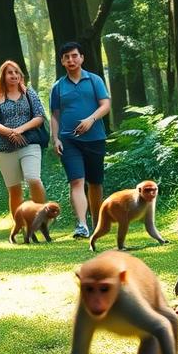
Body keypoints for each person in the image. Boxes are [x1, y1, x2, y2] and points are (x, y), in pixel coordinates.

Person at [49, 41, 111, 239]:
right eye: (66, 57)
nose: (71, 60)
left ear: (82, 58)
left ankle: (96, 222)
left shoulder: (94, 80)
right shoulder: (58, 87)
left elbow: (105, 105)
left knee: (95, 183)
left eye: (74, 56)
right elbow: (55, 115)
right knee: (76, 180)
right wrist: (55, 139)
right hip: (69, 140)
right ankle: (82, 225)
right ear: (62, 61)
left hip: (95, 138)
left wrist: (91, 119)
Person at [0, 60, 48, 218]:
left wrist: (20, 130)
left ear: (20, 75)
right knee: (14, 190)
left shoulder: (29, 93)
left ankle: (41, 219)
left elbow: (40, 117)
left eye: (16, 72)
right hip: (5, 149)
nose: (14, 75)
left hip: (29, 143)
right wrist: (11, 133)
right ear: (3, 76)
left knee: (33, 178)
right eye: (10, 72)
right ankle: (19, 226)